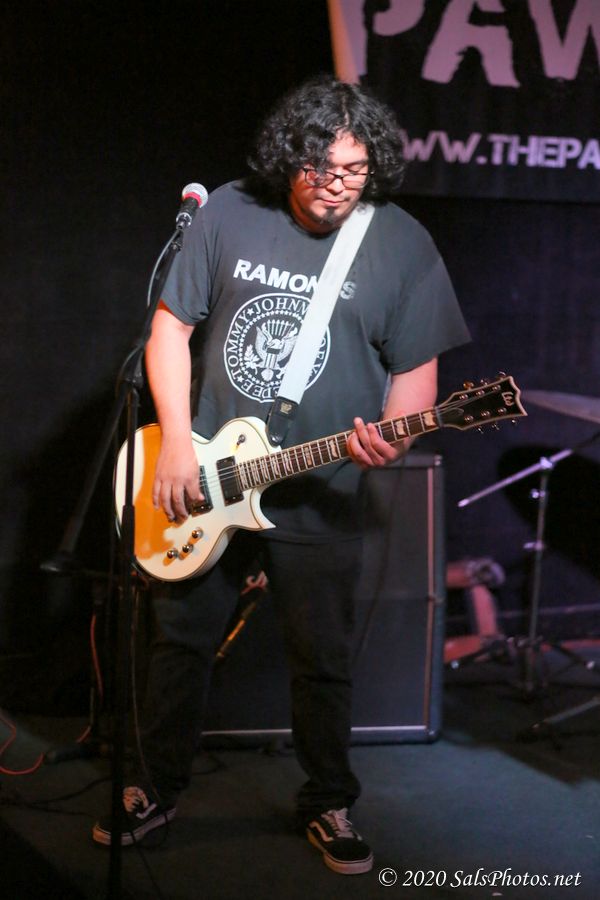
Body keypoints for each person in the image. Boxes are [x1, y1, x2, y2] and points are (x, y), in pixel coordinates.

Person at [93, 75, 470, 874]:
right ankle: (154, 789)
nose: (335, 185)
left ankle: (328, 799)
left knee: (322, 657)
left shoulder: (402, 244)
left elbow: (416, 377)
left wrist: (393, 439)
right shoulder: (231, 210)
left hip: (322, 488)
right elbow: (169, 331)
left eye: (354, 170)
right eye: (318, 167)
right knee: (178, 641)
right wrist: (175, 443)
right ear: (287, 156)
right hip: (205, 474)